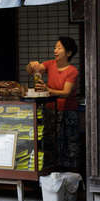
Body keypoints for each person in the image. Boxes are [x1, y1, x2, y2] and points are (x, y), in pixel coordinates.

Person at [27, 36, 80, 171]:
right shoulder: (50, 64)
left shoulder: (72, 71)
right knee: (50, 141)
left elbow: (66, 92)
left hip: (68, 112)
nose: (55, 50)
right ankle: (51, 170)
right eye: (55, 47)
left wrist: (47, 90)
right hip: (50, 111)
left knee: (69, 143)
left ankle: (69, 173)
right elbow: (34, 70)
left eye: (59, 48)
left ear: (68, 53)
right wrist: (32, 66)